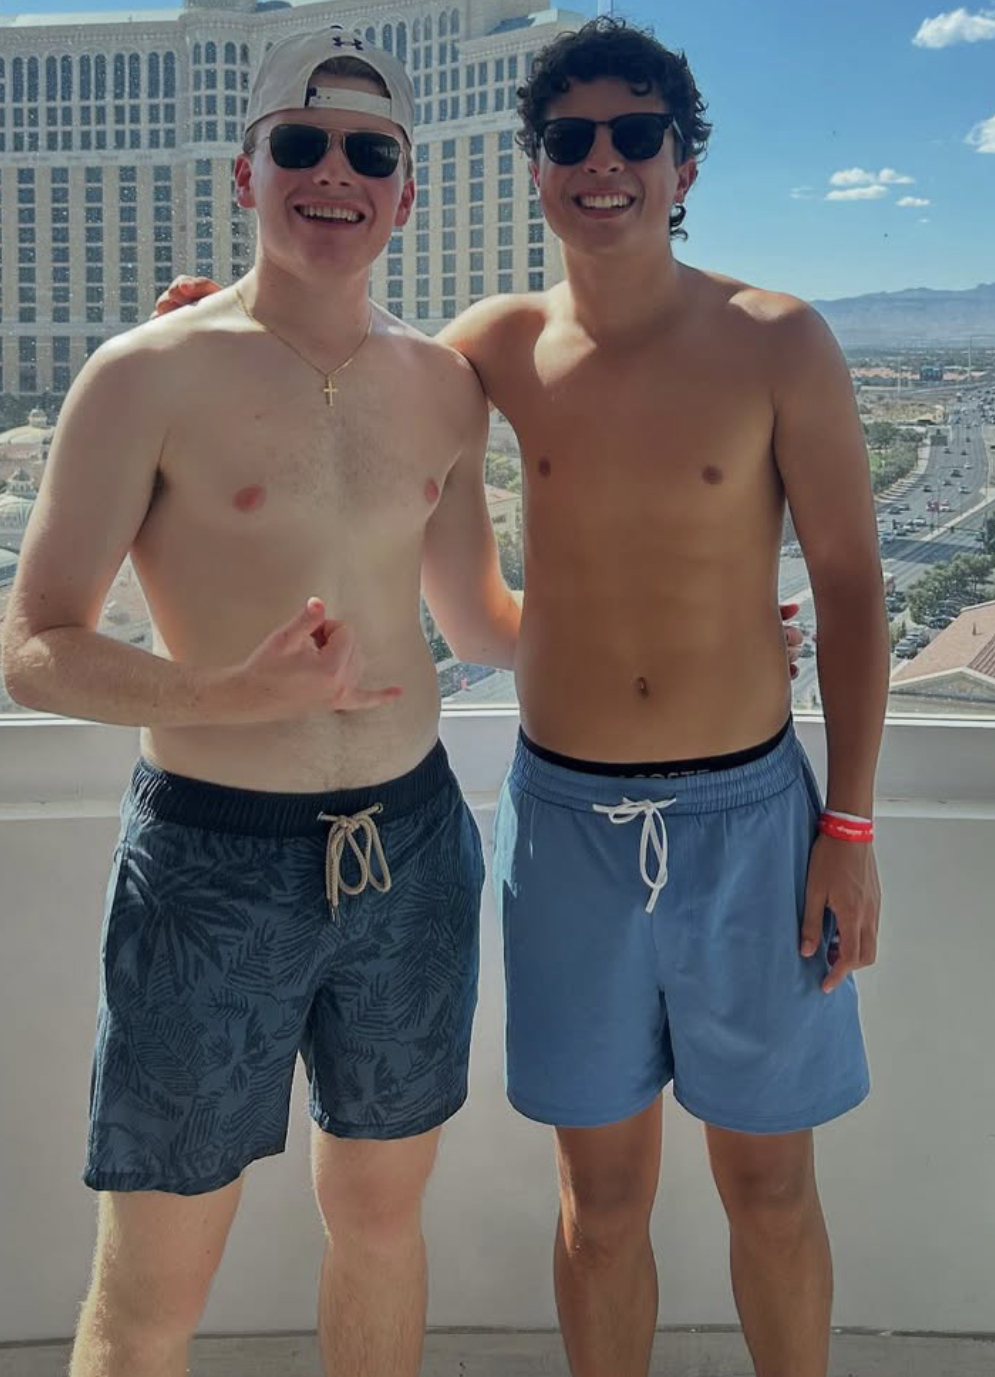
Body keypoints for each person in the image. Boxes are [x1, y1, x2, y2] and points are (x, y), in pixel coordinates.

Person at [1, 28, 523, 1377]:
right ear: (248, 174)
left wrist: (689, 629)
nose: (334, 173)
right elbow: (35, 645)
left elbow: (484, 620)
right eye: (301, 144)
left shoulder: (444, 388)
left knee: (381, 1223)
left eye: (369, 153)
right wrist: (227, 693)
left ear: (406, 192)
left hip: (410, 852)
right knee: (152, 1283)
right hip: (211, 864)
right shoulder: (144, 374)